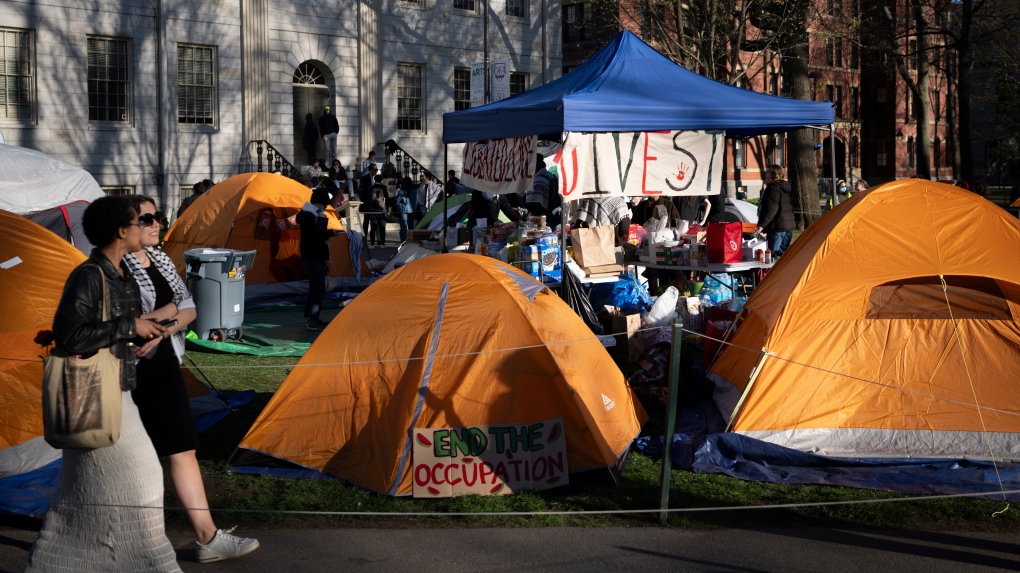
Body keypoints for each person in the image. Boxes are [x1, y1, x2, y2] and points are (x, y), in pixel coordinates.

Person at [25, 196, 177, 572]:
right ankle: (152, 563)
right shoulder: (89, 275)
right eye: (140, 220)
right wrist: (130, 326)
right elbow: (70, 333)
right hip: (96, 394)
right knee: (143, 482)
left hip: (117, 389)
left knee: (85, 492)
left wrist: (143, 330)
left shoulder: (120, 273)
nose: (148, 225)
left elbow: (102, 327)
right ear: (121, 231)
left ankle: (59, 563)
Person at [123, 196, 260, 563]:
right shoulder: (115, 266)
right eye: (146, 218)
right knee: (131, 457)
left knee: (182, 448)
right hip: (130, 371)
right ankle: (128, 541)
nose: (156, 223)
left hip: (164, 364)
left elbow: (188, 307)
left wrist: (161, 325)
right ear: (125, 226)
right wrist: (165, 315)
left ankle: (207, 536)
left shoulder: (162, 260)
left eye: (157, 216)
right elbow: (123, 320)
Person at [297, 187, 338, 330]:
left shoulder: (307, 213)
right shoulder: (310, 215)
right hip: (313, 255)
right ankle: (313, 320)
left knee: (314, 287)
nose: (325, 207)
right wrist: (330, 233)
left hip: (311, 255)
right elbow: (314, 236)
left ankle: (311, 317)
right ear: (320, 202)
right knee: (318, 288)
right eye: (324, 204)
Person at [755, 164, 795, 257]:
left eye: (768, 172)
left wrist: (762, 225)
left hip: (777, 226)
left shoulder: (773, 188)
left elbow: (771, 209)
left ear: (774, 174)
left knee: (772, 255)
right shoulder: (786, 187)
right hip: (788, 225)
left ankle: (773, 267)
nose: (766, 174)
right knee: (783, 256)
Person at [526, 154, 561, 228]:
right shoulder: (551, 176)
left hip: (544, 222)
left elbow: (534, 205)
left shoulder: (538, 180)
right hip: (556, 217)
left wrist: (523, 198)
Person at [394, 176, 417, 242]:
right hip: (412, 209)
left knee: (403, 227)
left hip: (404, 209)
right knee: (411, 227)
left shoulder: (402, 190)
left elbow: (397, 201)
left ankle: (403, 241)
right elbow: (417, 200)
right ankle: (412, 240)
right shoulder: (414, 190)